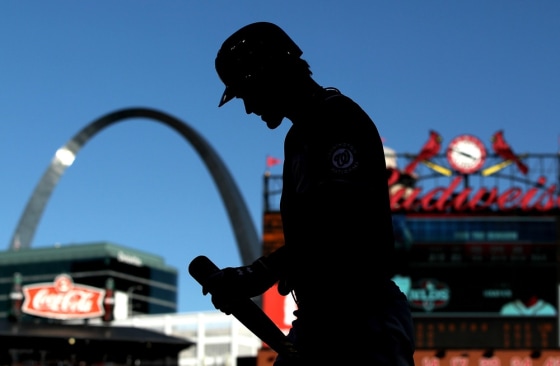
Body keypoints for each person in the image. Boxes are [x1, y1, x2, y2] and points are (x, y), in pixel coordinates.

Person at [202, 21, 416, 365]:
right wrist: (297, 269)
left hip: (363, 319)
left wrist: (256, 274)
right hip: (320, 320)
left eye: (246, 91)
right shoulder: (299, 135)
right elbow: (316, 237)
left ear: (270, 73)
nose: (248, 107)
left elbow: (341, 226)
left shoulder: (336, 118)